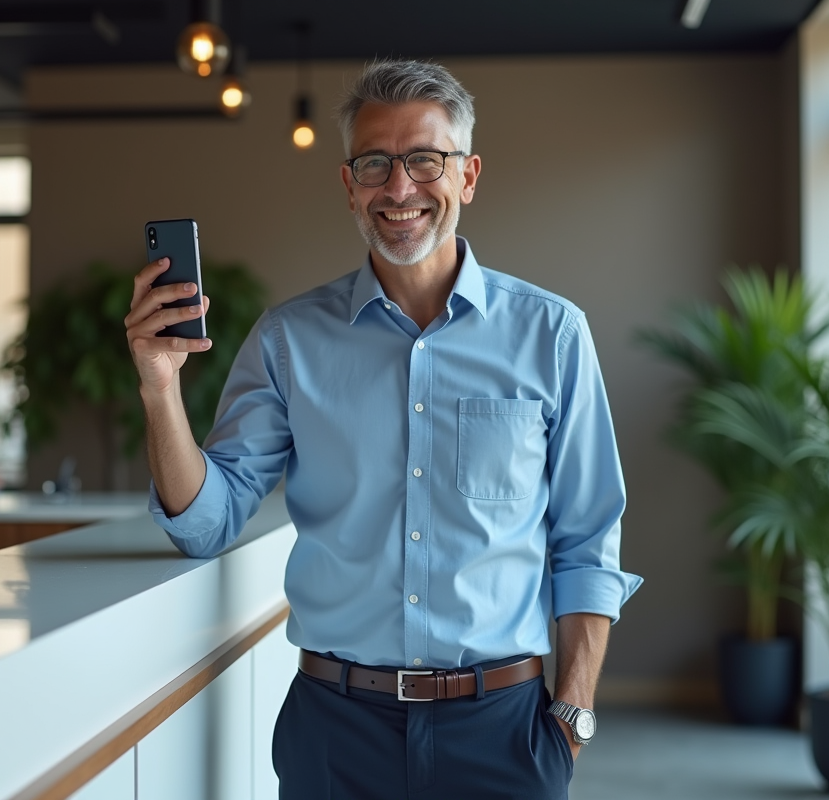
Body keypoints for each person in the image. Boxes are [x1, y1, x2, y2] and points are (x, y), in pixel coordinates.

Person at [125, 60, 642, 799]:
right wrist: (159, 387)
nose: (399, 188)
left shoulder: (552, 335)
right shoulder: (287, 343)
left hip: (505, 731)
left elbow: (587, 539)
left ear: (467, 177)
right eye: (375, 164)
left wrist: (573, 715)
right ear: (349, 185)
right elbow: (204, 522)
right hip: (336, 732)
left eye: (425, 160)